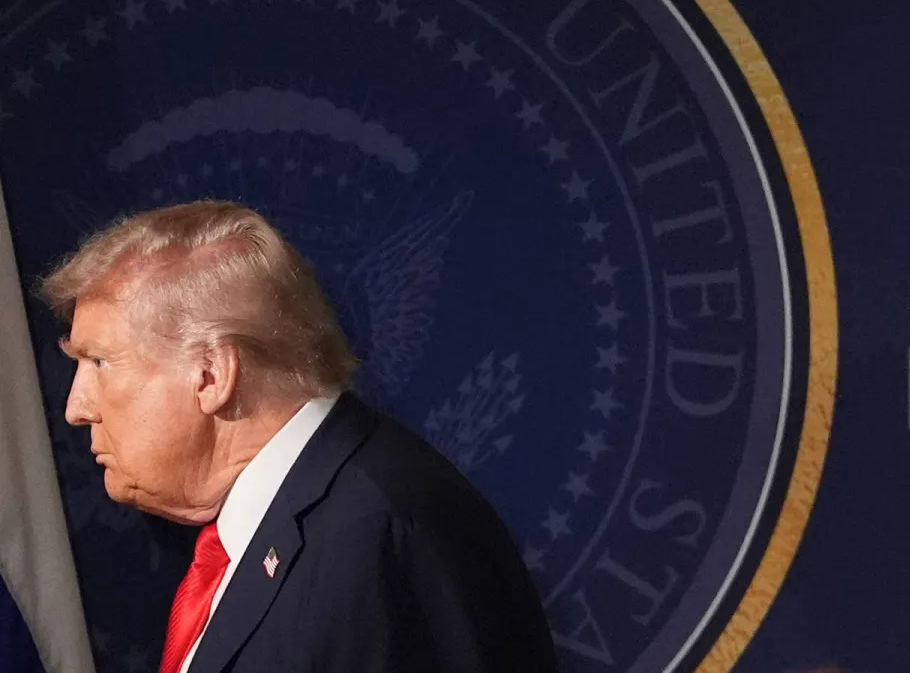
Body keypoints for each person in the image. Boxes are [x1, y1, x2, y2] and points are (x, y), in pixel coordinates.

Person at [44, 200, 557, 673]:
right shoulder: (289, 523)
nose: (76, 408)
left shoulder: (377, 533)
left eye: (100, 362)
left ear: (211, 376)